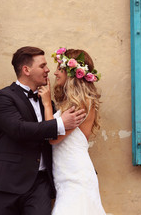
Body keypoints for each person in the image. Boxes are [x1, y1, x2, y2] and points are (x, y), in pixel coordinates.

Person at [0, 46, 87, 215]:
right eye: (42, 66)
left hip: (40, 184)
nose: (48, 70)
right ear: (26, 70)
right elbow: (19, 129)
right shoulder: (2, 97)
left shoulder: (47, 102)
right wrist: (60, 124)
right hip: (7, 184)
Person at [38, 47, 106, 215]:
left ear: (72, 73)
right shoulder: (72, 102)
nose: (55, 73)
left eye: (60, 69)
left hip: (75, 176)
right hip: (64, 175)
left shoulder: (81, 103)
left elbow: (52, 137)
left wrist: (47, 103)